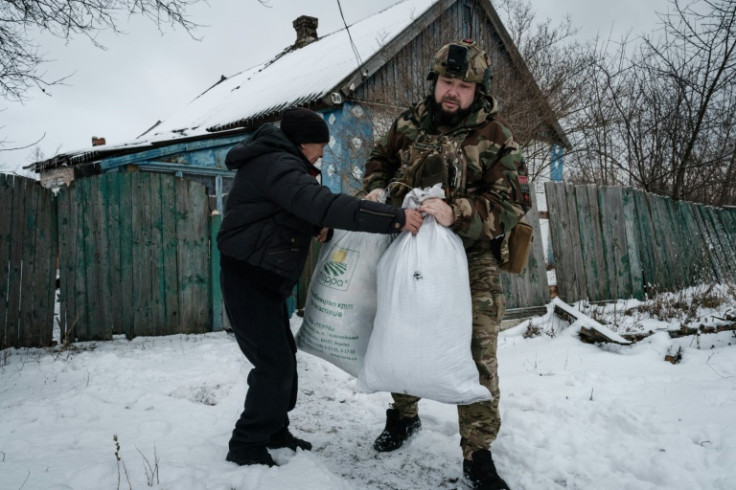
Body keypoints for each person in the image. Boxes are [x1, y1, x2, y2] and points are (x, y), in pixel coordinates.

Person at [361, 40, 532, 490]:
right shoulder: (408, 123)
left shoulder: (497, 136)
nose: (451, 92)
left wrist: (457, 211)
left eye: (462, 84)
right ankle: (403, 415)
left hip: (472, 258)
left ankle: (477, 452)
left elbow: (513, 203)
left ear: (478, 89)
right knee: (402, 333)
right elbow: (378, 159)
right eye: (445, 82)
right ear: (433, 82)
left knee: (477, 352)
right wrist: (378, 190)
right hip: (408, 245)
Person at [217, 107, 424, 467]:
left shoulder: (281, 164)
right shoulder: (276, 164)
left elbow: (284, 211)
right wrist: (395, 219)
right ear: (302, 142)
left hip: (263, 279)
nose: (323, 153)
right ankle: (246, 444)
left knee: (283, 360)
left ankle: (274, 430)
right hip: (247, 278)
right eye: (320, 145)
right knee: (273, 365)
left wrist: (314, 228)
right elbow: (320, 204)